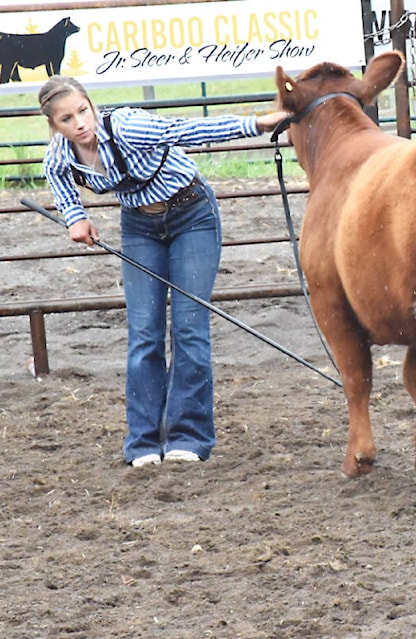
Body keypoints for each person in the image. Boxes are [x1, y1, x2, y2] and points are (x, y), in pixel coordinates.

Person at [38, 75, 290, 468]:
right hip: (139, 226)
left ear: (92, 106)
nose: (80, 124)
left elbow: (188, 128)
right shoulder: (61, 154)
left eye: (83, 111)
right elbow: (56, 177)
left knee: (189, 327)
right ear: (56, 126)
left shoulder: (127, 126)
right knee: (144, 332)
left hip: (192, 214)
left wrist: (256, 124)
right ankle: (143, 441)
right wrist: (76, 217)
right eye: (67, 119)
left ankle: (189, 437)